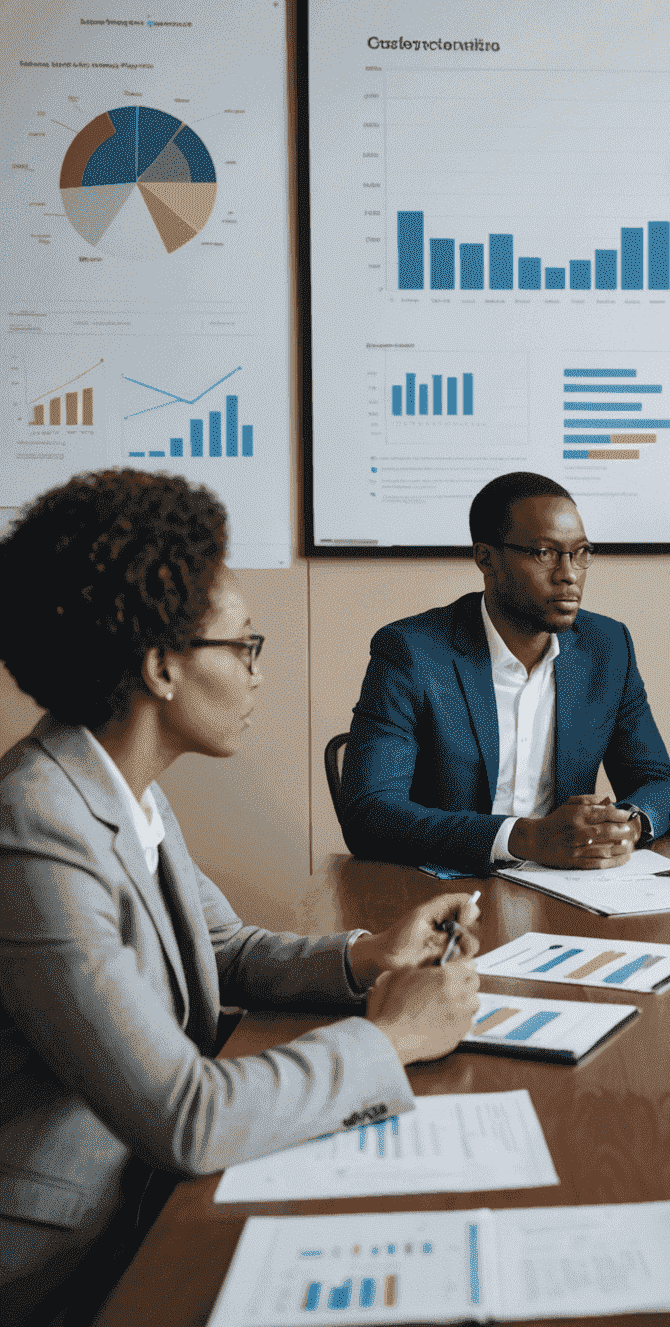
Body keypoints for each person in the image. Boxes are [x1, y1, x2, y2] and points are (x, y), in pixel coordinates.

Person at [0, 470, 481, 1327]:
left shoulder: (121, 788)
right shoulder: (34, 827)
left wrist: (365, 956)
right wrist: (390, 1038)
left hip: (147, 1195)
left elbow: (222, 951)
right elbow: (186, 1116)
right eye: (243, 646)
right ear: (160, 666)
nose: (258, 674)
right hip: (64, 1262)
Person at [341, 471, 670, 874]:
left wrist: (628, 824)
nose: (569, 573)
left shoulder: (607, 648)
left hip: (567, 885)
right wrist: (524, 838)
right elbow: (370, 813)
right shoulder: (412, 652)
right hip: (443, 888)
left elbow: (660, 783)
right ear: (486, 558)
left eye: (581, 552)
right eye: (544, 553)